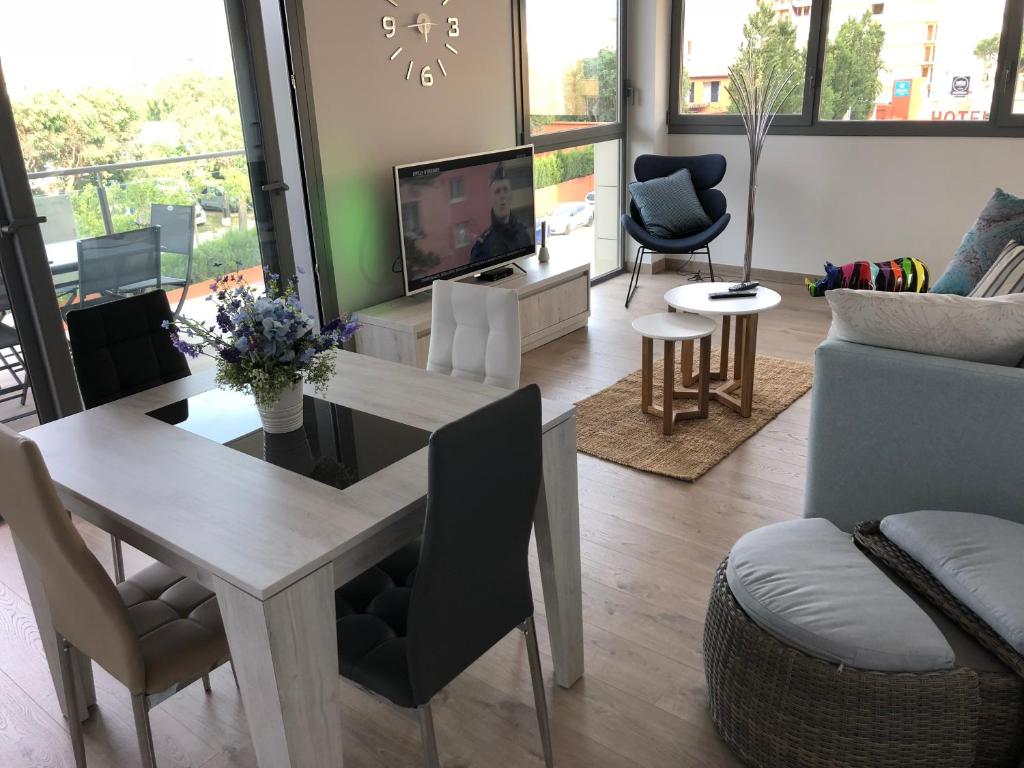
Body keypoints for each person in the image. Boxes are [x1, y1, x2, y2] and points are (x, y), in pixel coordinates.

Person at [470, 163, 533, 264]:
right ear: (491, 199)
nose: (502, 196)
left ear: (511, 195)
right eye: (497, 191)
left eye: (505, 190)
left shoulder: (523, 233)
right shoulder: (482, 247)